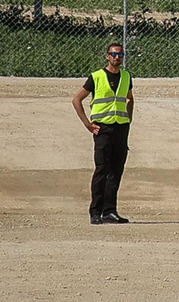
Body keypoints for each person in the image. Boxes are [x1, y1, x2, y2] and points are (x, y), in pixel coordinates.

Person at [72, 42, 134, 225]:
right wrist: (87, 124)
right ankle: (95, 211)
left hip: (120, 128)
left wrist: (128, 121)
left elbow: (130, 99)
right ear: (107, 56)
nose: (117, 58)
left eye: (120, 55)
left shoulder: (126, 76)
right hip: (103, 129)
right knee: (102, 169)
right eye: (114, 54)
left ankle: (110, 211)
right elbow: (77, 100)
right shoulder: (97, 76)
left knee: (116, 170)